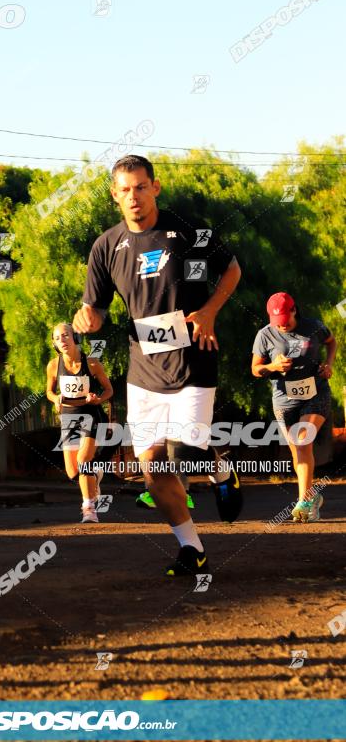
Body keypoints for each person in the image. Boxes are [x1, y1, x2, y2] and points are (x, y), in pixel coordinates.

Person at [72, 154, 243, 576]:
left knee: (183, 456)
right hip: (144, 371)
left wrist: (209, 312)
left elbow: (233, 270)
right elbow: (93, 310)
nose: (134, 196)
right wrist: (87, 320)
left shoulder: (187, 231)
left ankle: (220, 470)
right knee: (152, 471)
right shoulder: (106, 246)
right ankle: (192, 549)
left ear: (156, 187)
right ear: (115, 195)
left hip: (193, 361)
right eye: (125, 190)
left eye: (141, 187)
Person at [251, 292, 337, 522]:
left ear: (293, 310)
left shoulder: (314, 327)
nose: (282, 325)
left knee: (303, 439)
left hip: (315, 393)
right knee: (298, 452)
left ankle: (302, 503)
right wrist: (273, 365)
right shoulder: (264, 335)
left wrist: (328, 365)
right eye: (276, 321)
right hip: (283, 399)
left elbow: (331, 341)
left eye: (285, 320)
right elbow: (255, 369)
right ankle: (312, 500)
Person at [46, 322, 114, 523]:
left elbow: (109, 390)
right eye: (58, 338)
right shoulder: (53, 365)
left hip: (91, 415)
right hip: (69, 417)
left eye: (66, 335)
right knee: (73, 472)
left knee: (84, 461)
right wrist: (55, 398)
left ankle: (89, 508)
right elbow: (48, 392)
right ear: (55, 344)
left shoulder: (91, 362)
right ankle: (96, 475)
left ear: (75, 337)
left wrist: (98, 399)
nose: (62, 341)